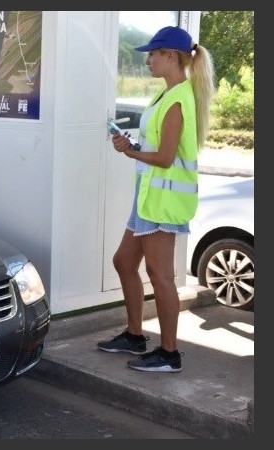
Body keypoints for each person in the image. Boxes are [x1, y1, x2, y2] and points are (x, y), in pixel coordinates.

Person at [96, 26, 215, 373]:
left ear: (170, 56)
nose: (147, 60)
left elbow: (164, 157)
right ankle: (135, 335)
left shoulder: (179, 99)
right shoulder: (166, 95)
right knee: (123, 262)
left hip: (163, 202)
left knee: (159, 274)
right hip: (148, 198)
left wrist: (132, 154)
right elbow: (158, 147)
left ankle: (169, 353)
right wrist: (131, 145)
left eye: (152, 54)